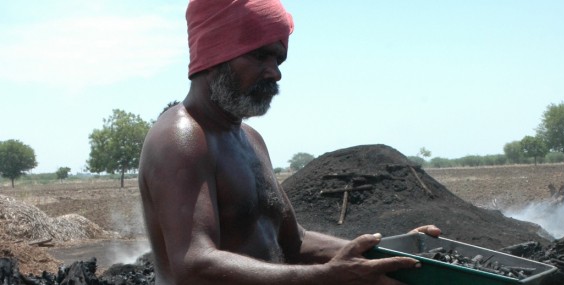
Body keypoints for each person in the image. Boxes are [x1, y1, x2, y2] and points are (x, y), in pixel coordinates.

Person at [138, 0, 441, 284]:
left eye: (278, 59)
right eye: (260, 56)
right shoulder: (182, 138)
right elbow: (193, 263)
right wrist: (324, 277)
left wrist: (385, 254)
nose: (276, 73)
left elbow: (295, 241)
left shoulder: (250, 140)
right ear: (215, 53)